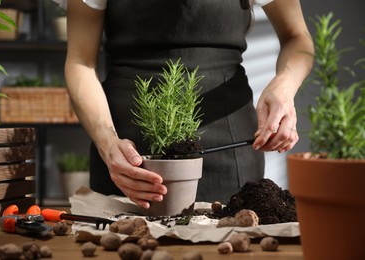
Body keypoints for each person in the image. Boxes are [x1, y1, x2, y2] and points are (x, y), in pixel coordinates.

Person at [55, 0, 314, 208]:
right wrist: (107, 142)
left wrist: (284, 85)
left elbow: (297, 36)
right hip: (129, 151)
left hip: (229, 142)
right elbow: (80, 62)